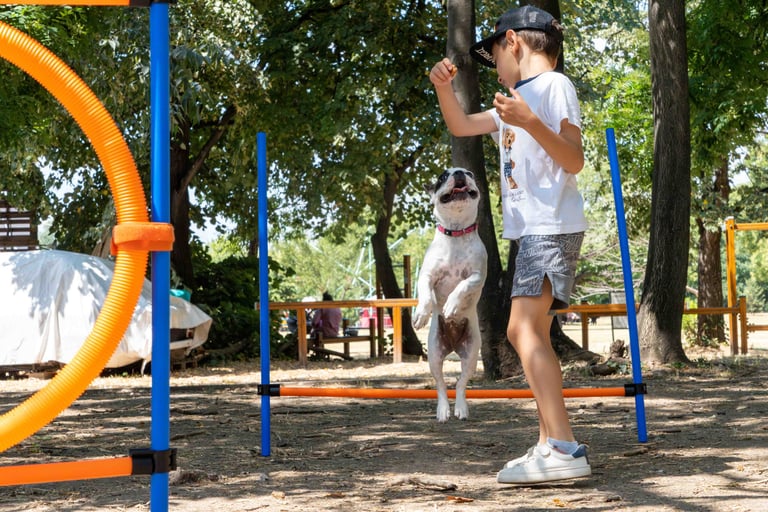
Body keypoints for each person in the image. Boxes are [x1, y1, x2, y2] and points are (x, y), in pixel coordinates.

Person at [429, 5, 590, 484]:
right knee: (533, 333)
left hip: (550, 226)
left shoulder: (553, 86)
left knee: (520, 331)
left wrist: (529, 120)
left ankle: (563, 447)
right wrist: (442, 88)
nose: (495, 69)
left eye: (495, 56)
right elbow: (460, 125)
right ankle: (548, 443)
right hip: (533, 231)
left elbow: (574, 159)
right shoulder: (515, 101)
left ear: (513, 42)